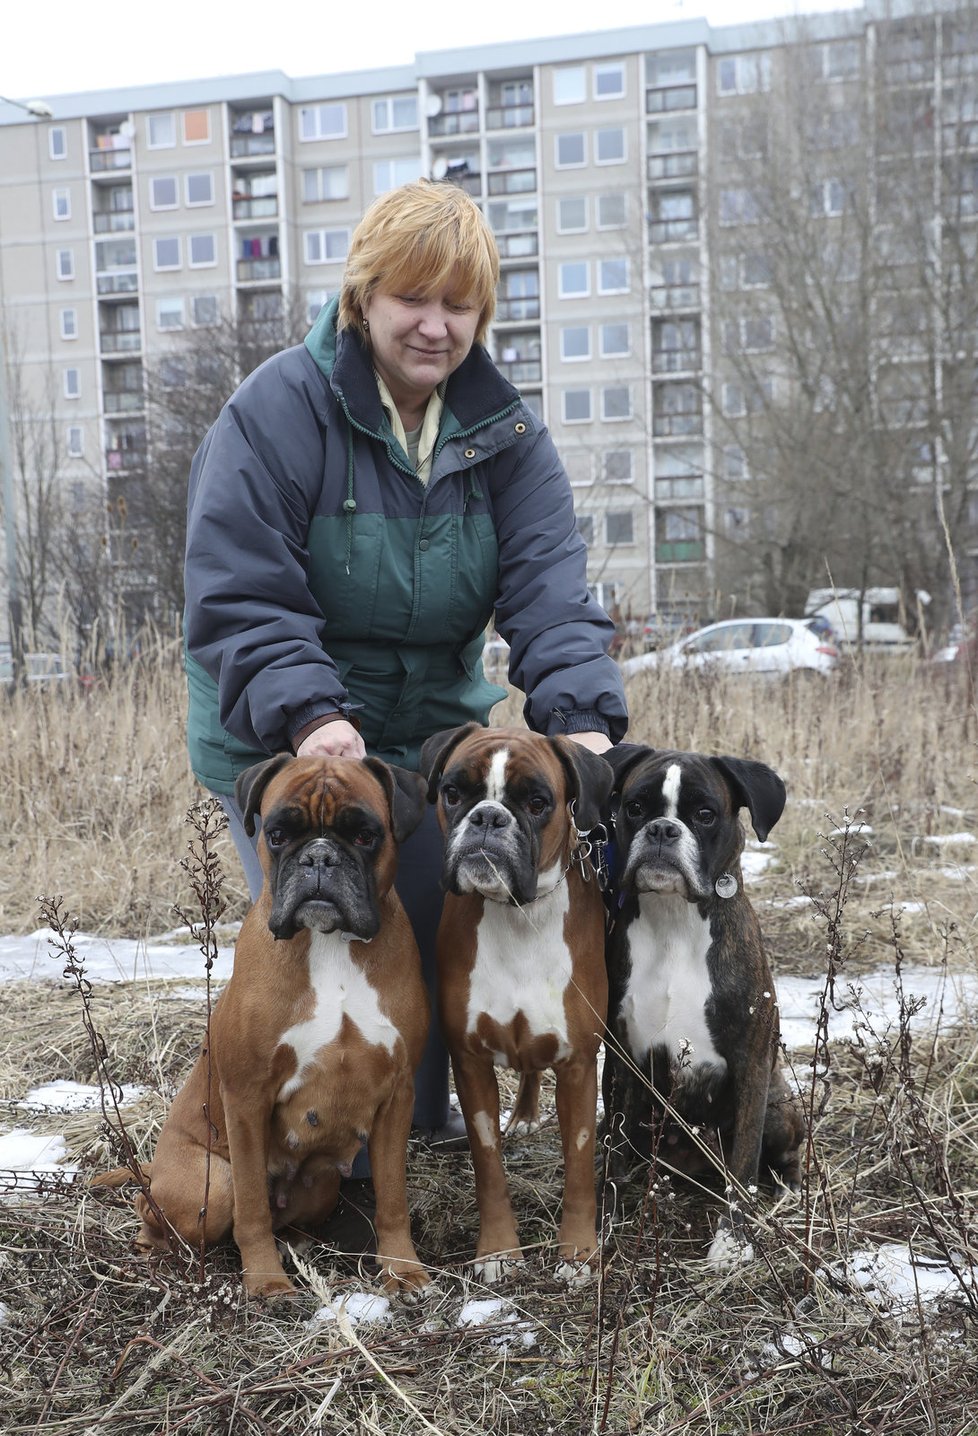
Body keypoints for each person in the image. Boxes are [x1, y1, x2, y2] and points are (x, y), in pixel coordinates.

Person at [183, 179, 628, 1162]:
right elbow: (241, 588)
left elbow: (552, 592)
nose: (433, 325)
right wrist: (311, 717)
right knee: (325, 931)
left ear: (482, 313)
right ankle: (293, 1155)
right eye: (410, 299)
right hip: (284, 728)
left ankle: (411, 1155)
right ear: (362, 298)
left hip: (424, 738)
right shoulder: (278, 412)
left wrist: (586, 721)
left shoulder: (509, 437)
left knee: (427, 935)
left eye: (457, 304)